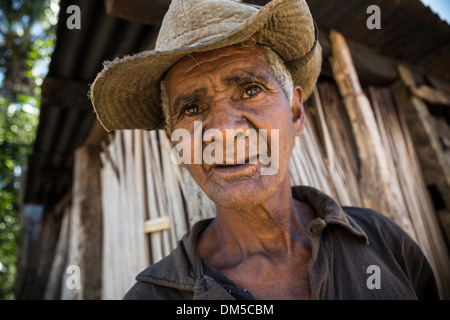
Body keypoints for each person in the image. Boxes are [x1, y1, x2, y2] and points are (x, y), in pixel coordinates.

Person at [90, 0, 440, 299]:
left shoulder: (383, 240)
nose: (225, 132)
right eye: (193, 109)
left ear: (295, 112)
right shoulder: (155, 296)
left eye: (250, 90)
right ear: (176, 144)